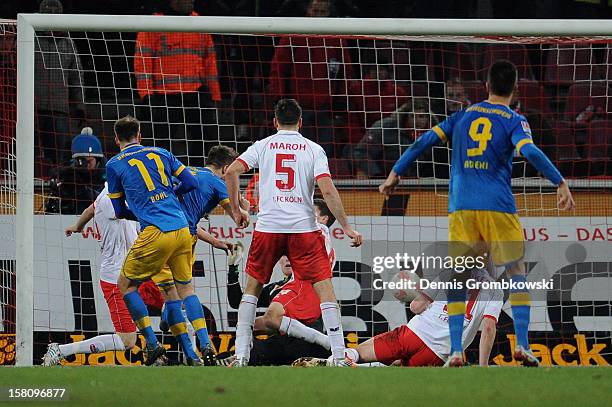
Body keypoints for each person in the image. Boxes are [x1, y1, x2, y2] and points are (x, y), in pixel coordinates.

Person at [379, 60, 576, 367]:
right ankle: (523, 345)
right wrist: (559, 181)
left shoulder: (461, 116)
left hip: (462, 208)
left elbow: (423, 141)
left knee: (458, 277)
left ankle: (456, 350)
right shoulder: (514, 119)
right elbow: (530, 151)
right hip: (498, 206)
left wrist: (395, 172)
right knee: (516, 273)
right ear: (514, 89)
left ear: (485, 86)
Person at [225, 98, 363, 367]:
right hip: (302, 228)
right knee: (325, 290)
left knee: (252, 289)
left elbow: (231, 171)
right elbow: (327, 188)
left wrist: (237, 211)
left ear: (275, 122)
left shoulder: (263, 145)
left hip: (268, 227)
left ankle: (241, 356)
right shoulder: (313, 149)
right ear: (300, 122)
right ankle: (338, 355)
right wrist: (346, 226)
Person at [42, 183, 194, 365]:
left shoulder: (112, 195)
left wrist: (78, 226)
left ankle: (188, 358)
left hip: (138, 270)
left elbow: (91, 209)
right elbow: (141, 211)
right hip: (116, 279)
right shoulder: (109, 200)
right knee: (128, 341)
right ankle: (60, 350)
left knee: (178, 301)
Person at [106, 115, 202, 365]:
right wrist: (170, 193)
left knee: (125, 285)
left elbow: (118, 211)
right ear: (140, 135)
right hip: (182, 229)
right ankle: (199, 349)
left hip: (155, 232)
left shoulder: (114, 164)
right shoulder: (161, 152)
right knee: (183, 290)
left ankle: (151, 342)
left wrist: (139, 211)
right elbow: (191, 182)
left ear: (116, 139)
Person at [156, 145, 249, 364]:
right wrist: (244, 206)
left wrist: (217, 242)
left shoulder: (184, 172)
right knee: (187, 292)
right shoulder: (218, 183)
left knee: (169, 293)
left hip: (158, 233)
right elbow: (240, 219)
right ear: (227, 168)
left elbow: (187, 217)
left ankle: (169, 319)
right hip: (183, 238)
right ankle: (204, 345)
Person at [294, 269, 502, 367]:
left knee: (358, 352)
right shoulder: (496, 291)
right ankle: (348, 366)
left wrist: (416, 293)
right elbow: (489, 329)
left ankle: (334, 363)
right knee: (395, 373)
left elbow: (416, 306)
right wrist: (483, 367)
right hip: (438, 354)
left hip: (413, 334)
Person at [221, 199, 337, 365]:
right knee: (242, 351)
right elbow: (238, 302)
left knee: (272, 318)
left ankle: (329, 344)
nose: (287, 258)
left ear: (323, 219)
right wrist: (233, 270)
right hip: (282, 342)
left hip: (307, 341)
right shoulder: (276, 288)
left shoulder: (318, 232)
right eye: (283, 255)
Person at [134, 0, 221, 166]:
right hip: (164, 95)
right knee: (161, 144)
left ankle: (201, 178)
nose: (192, 1)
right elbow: (142, 61)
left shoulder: (199, 23)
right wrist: (146, 95)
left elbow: (210, 61)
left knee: (204, 141)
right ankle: (160, 178)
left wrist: (214, 94)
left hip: (195, 91)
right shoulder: (154, 25)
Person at [268, 0, 353, 156]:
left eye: (322, 12)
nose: (318, 15)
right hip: (298, 108)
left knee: (322, 154)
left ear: (329, 13)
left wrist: (341, 101)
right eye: (315, 11)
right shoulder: (293, 36)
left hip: (326, 108)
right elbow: (278, 69)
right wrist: (279, 98)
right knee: (298, 153)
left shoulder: (336, 38)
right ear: (308, 11)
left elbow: (346, 72)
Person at [35, 0, 85, 166]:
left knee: (56, 157)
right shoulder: (30, 39)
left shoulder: (68, 43)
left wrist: (80, 106)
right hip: (32, 109)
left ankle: (55, 187)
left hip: (59, 110)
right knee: (30, 154)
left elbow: (76, 76)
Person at [346, 98, 441, 178]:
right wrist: (376, 176)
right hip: (384, 179)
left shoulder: (436, 134)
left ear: (428, 118)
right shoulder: (385, 127)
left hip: (421, 183)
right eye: (413, 116)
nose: (417, 121)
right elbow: (361, 152)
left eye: (421, 116)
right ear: (406, 116)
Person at [45, 127, 106, 215]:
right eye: (81, 161)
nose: (86, 166)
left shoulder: (108, 172)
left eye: (89, 161)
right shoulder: (70, 169)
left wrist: (82, 190)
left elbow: (104, 200)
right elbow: (55, 173)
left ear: (98, 159)